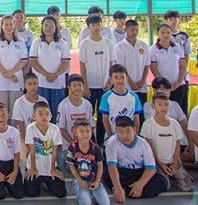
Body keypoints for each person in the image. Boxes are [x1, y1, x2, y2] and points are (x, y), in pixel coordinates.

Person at [104, 116, 166, 202]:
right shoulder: (112, 142)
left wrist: (140, 184)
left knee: (162, 182)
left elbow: (151, 168)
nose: (124, 135)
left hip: (139, 172)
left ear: (134, 130)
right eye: (120, 132)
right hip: (122, 172)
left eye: (128, 131)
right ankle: (124, 190)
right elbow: (112, 167)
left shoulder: (143, 143)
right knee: (107, 173)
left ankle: (128, 191)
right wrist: (117, 187)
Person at [140, 95, 194, 191]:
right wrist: (161, 164)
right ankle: (165, 176)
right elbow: (149, 147)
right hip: (156, 162)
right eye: (160, 104)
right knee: (164, 185)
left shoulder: (175, 124)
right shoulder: (148, 124)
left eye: (166, 105)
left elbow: (177, 145)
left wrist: (175, 163)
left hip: (173, 161)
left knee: (187, 187)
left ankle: (176, 174)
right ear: (153, 106)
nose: (163, 107)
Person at [78, 14, 116, 145]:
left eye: (98, 24)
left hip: (105, 86)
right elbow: (82, 66)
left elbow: (112, 63)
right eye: (93, 25)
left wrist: (110, 82)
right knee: (88, 116)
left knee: (103, 117)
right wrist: (85, 85)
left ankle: (101, 143)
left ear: (102, 25)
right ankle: (88, 143)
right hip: (90, 86)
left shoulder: (108, 43)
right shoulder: (85, 44)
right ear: (88, 27)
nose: (96, 27)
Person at [29, 15, 70, 116]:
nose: (48, 28)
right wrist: (46, 74)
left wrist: (55, 75)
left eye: (51, 26)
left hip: (58, 83)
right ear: (42, 27)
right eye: (46, 25)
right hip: (41, 83)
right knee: (42, 112)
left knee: (57, 112)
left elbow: (65, 62)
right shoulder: (37, 42)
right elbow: (33, 61)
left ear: (56, 27)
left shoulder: (62, 43)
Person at [23, 101, 66, 198]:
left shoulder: (55, 129)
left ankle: (46, 182)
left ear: (51, 116)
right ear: (34, 116)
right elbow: (32, 151)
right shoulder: (30, 128)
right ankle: (40, 181)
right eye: (40, 114)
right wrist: (33, 168)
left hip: (49, 166)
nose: (44, 117)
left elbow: (54, 152)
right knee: (32, 193)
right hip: (35, 166)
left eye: (47, 114)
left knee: (61, 193)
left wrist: (53, 169)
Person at [0, 15, 28, 120]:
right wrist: (6, 73)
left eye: (11, 24)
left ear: (14, 25)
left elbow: (24, 60)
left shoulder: (20, 41)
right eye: (6, 24)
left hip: (16, 80)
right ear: (1, 26)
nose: (8, 27)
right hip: (0, 81)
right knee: (0, 112)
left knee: (15, 111)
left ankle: (15, 130)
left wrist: (11, 73)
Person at [66, 119, 109, 205]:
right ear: (75, 132)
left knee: (105, 204)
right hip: (81, 180)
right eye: (81, 131)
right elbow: (71, 165)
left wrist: (97, 181)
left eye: (87, 131)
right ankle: (78, 186)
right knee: (86, 203)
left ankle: (94, 189)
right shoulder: (72, 147)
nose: (85, 134)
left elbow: (100, 166)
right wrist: (79, 180)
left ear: (91, 132)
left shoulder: (96, 148)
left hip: (94, 180)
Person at [149, 23, 188, 115]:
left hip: (178, 86)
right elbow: (154, 68)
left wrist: (179, 82)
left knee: (179, 112)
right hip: (162, 88)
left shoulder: (177, 47)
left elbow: (182, 65)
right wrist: (164, 85)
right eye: (162, 32)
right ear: (158, 34)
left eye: (168, 32)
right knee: (164, 112)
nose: (165, 35)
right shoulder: (153, 49)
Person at [99, 64, 142, 139]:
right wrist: (110, 136)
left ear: (127, 78)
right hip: (113, 136)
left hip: (130, 137)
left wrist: (135, 135)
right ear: (111, 80)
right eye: (116, 77)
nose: (119, 80)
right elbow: (105, 119)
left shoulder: (134, 96)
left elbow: (136, 117)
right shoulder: (106, 97)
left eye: (122, 77)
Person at [12, 73, 47, 160]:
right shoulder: (19, 102)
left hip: (41, 136)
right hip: (24, 137)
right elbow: (20, 125)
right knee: (27, 159)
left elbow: (46, 123)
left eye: (35, 84)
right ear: (24, 85)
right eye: (30, 84)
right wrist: (27, 143)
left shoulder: (43, 101)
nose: (33, 87)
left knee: (44, 160)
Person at [115, 19, 150, 105]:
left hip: (141, 87)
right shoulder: (119, 47)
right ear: (125, 30)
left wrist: (142, 81)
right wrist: (131, 83)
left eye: (137, 30)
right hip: (126, 87)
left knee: (141, 110)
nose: (135, 32)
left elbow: (147, 65)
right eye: (132, 30)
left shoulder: (144, 46)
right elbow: (121, 68)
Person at [57, 75, 95, 149]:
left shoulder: (88, 104)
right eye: (74, 85)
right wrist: (74, 144)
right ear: (69, 87)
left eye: (80, 85)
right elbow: (61, 128)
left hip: (84, 145)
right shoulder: (63, 105)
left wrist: (85, 141)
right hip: (68, 146)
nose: (77, 88)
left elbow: (91, 126)